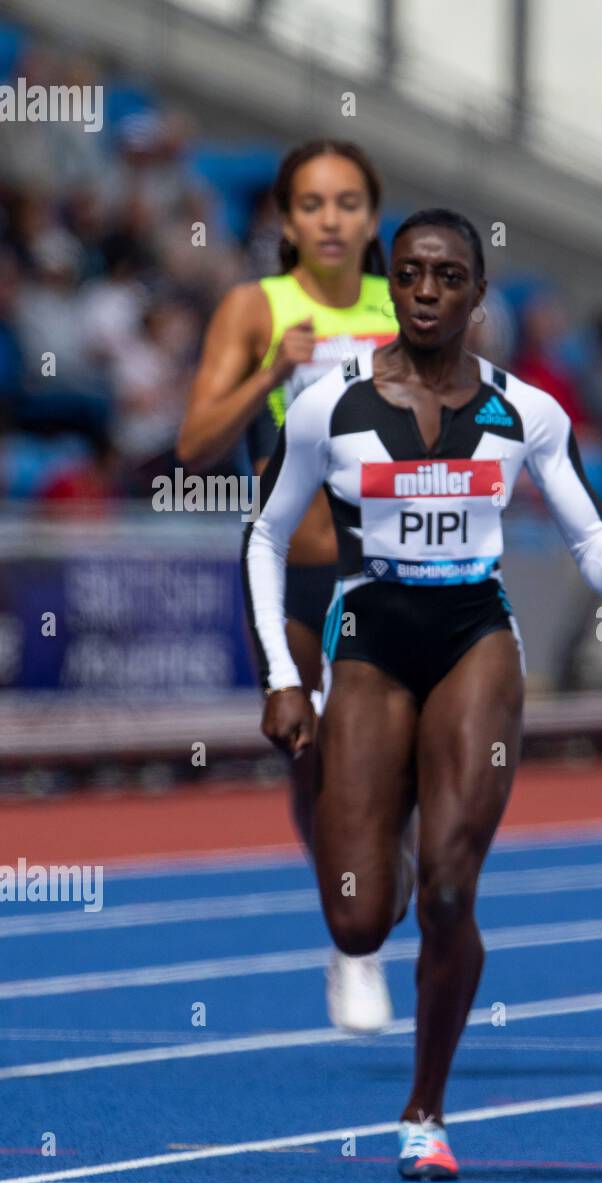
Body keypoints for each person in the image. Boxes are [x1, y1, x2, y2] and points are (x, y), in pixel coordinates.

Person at [242, 208, 602, 1179]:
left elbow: (593, 550)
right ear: (393, 285)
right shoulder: (328, 403)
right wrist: (282, 677)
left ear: (478, 296)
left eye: (448, 276)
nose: (427, 291)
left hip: (474, 634)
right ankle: (387, 828)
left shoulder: (528, 411)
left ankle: (424, 1111)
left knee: (448, 889)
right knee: (358, 918)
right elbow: (264, 537)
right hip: (369, 637)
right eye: (411, 274)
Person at [178, 140, 404, 1033]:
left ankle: (369, 909)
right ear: (286, 219)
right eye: (312, 204)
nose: (331, 219)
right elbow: (195, 443)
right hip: (291, 566)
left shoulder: (408, 303)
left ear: (372, 216)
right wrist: (272, 371)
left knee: (379, 762)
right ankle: (351, 927)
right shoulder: (254, 308)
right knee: (313, 759)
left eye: (348, 202)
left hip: (391, 571)